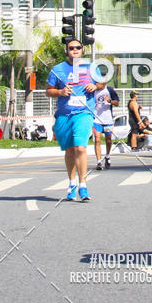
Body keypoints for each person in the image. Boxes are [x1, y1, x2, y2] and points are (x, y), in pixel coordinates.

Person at [45, 39, 102, 201]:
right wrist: (60, 91)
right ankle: (72, 184)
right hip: (64, 114)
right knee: (70, 150)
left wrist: (95, 86)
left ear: (82, 50)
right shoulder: (58, 69)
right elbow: (48, 91)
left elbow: (102, 83)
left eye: (78, 48)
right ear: (67, 51)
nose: (75, 50)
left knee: (80, 147)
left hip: (84, 113)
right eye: (71, 48)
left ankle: (83, 185)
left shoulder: (90, 67)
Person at [93, 81, 119, 169]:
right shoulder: (93, 91)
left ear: (103, 83)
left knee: (108, 140)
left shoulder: (110, 90)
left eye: (98, 83)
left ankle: (107, 156)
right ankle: (99, 162)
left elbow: (117, 103)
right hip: (96, 120)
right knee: (97, 139)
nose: (96, 85)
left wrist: (110, 101)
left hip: (108, 120)